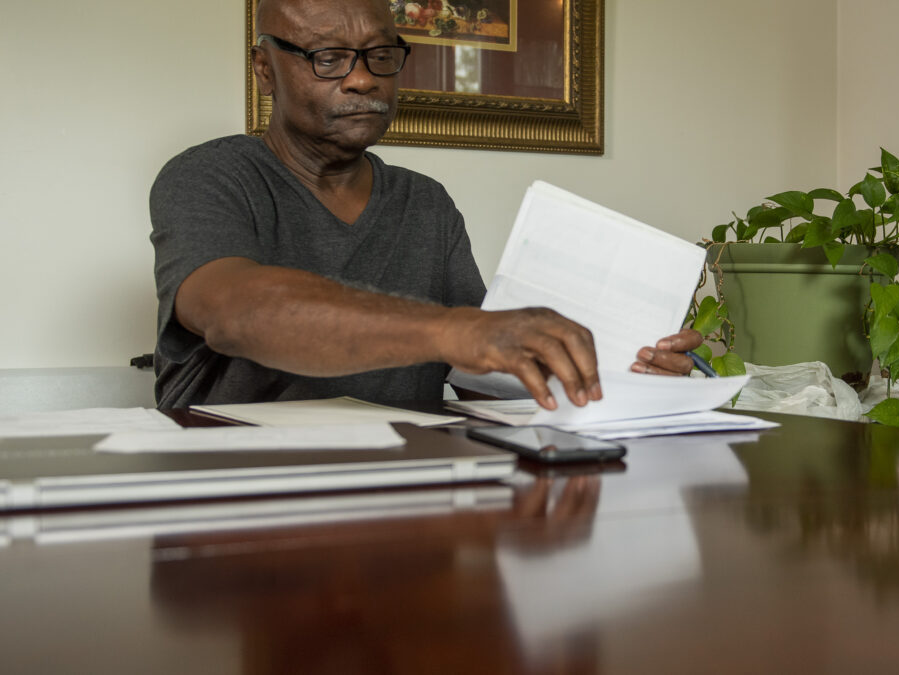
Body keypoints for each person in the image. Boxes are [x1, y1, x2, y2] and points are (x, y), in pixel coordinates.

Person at [149, 0, 700, 412]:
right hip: (232, 491)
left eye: (381, 56)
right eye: (328, 58)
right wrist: (460, 330)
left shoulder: (425, 202)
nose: (363, 78)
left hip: (401, 492)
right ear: (265, 70)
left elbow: (478, 372)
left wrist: (623, 374)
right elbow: (235, 313)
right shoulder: (210, 176)